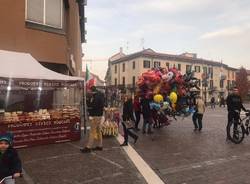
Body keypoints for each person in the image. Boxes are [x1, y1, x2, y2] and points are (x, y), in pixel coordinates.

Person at [81, 86, 105, 153]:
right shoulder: (100, 95)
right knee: (98, 131)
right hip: (99, 115)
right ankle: (100, 145)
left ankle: (88, 147)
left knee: (92, 132)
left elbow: (93, 106)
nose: (89, 92)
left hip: (95, 116)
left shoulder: (95, 96)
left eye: (89, 91)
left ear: (92, 91)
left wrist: (88, 102)